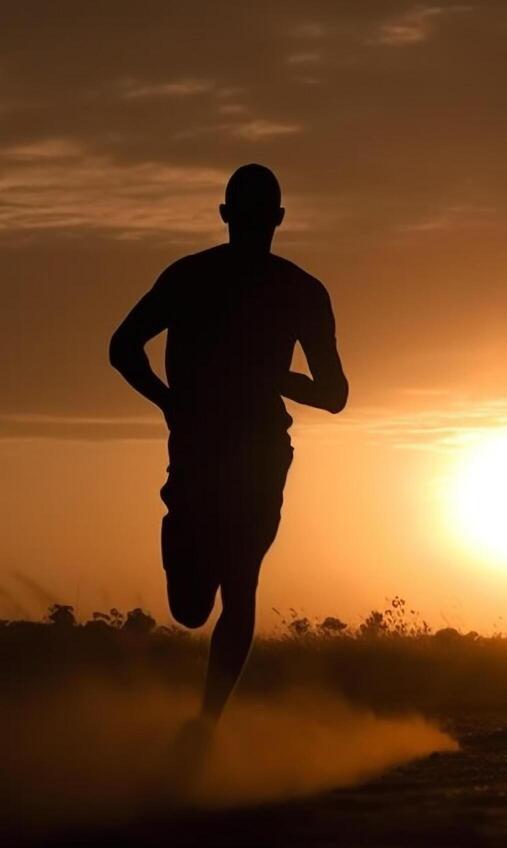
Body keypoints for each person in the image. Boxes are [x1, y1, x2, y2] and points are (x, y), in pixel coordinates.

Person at [109, 163, 348, 739]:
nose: (251, 227)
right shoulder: (189, 277)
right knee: (190, 608)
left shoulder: (302, 291)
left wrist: (273, 376)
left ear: (275, 220)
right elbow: (123, 347)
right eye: (246, 218)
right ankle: (180, 538)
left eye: (256, 218)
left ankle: (206, 725)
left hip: (263, 452)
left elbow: (335, 395)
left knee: (241, 583)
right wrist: (169, 404)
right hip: (199, 451)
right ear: (228, 218)